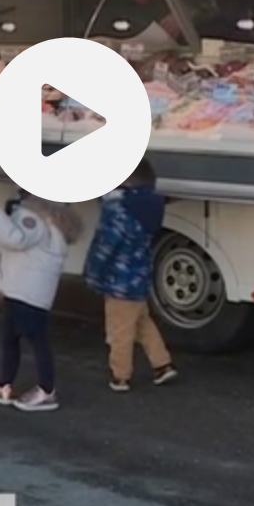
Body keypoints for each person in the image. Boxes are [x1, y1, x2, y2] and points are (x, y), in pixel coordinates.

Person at [0, 192, 82, 412]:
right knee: (23, 339)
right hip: (28, 292)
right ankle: (7, 384)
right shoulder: (52, 224)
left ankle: (44, 389)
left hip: (25, 294)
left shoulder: (32, 218)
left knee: (28, 341)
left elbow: (14, 240)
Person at [84, 157, 179, 391]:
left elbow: (104, 246)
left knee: (119, 330)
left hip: (118, 281)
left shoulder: (117, 212)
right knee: (141, 323)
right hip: (139, 277)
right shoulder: (149, 206)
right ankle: (162, 364)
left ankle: (120, 375)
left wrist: (92, 273)